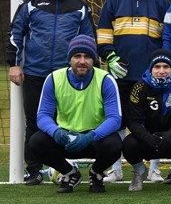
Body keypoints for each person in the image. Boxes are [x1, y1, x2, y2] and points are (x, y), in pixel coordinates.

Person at [7, 0, 95, 185]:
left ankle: (63, 166)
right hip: (35, 73)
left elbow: (88, 41)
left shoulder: (80, 6)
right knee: (34, 123)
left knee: (65, 122)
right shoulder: (30, 4)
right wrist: (14, 64)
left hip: (67, 77)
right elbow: (15, 34)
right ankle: (34, 170)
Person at [97, 0, 171, 184]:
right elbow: (103, 35)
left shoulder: (161, 1)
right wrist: (111, 58)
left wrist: (163, 66)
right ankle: (116, 169)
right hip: (121, 75)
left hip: (151, 78)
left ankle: (154, 169)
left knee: (155, 122)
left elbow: (167, 39)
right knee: (117, 121)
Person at [29, 35, 122, 193]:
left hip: (94, 139)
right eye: (77, 56)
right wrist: (56, 131)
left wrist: (91, 136)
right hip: (65, 137)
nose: (82, 61)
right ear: (69, 59)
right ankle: (70, 173)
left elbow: (115, 119)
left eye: (87, 56)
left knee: (115, 144)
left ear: (94, 59)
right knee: (36, 142)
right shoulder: (54, 78)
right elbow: (42, 115)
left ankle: (96, 173)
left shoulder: (106, 79)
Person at [123, 49, 171, 192]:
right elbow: (133, 120)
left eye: (166, 67)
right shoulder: (139, 87)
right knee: (128, 143)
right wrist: (146, 136)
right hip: (149, 140)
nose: (161, 71)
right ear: (150, 69)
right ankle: (140, 172)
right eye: (157, 67)